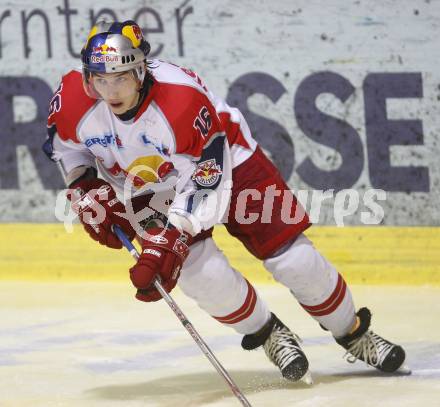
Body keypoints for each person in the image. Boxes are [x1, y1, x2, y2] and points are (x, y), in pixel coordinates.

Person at [43, 20, 409, 383]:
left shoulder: (180, 100)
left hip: (226, 157)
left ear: (141, 71)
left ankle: (354, 332)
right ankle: (270, 334)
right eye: (100, 80)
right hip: (149, 183)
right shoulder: (74, 99)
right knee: (201, 275)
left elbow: (208, 176)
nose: (110, 91)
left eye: (121, 77)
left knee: (294, 260)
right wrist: (84, 186)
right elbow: (68, 150)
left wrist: (175, 233)